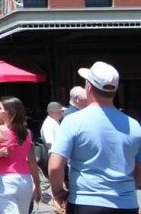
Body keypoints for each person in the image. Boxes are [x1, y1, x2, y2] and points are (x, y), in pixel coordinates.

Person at [49, 61, 141, 214]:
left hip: (85, 202)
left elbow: (55, 166)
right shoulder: (135, 126)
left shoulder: (73, 121)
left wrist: (58, 192)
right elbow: (139, 172)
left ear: (89, 87)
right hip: (126, 204)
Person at [0, 97, 42, 214]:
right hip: (26, 180)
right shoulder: (27, 133)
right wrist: (37, 185)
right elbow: (32, 162)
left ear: (8, 112)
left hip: (5, 180)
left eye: (0, 108)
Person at [38, 101, 63, 203]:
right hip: (54, 157)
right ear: (52, 112)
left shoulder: (54, 122)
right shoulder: (49, 124)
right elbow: (50, 143)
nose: (61, 113)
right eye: (59, 112)